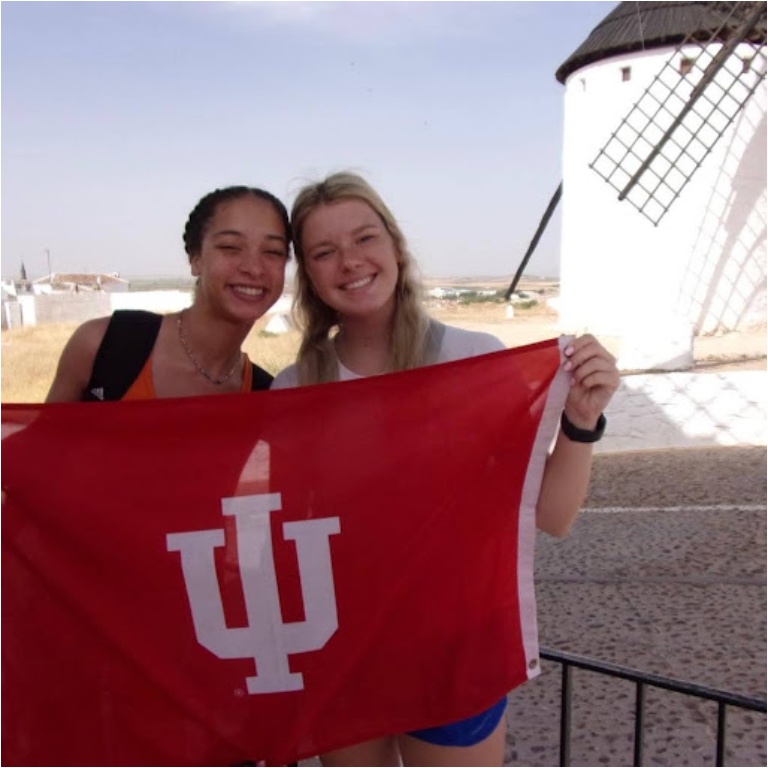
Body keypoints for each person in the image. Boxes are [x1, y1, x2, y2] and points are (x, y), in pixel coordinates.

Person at [272, 171, 621, 767]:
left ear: (396, 246)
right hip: (341, 653)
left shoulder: (475, 361)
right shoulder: (295, 389)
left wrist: (581, 421)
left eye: (364, 238)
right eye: (324, 252)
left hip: (456, 650)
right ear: (308, 274)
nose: (350, 262)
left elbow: (554, 517)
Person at [46, 185, 291, 403]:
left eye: (273, 251)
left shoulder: (263, 396)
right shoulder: (104, 345)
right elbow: (37, 449)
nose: (254, 268)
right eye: (230, 247)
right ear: (195, 258)